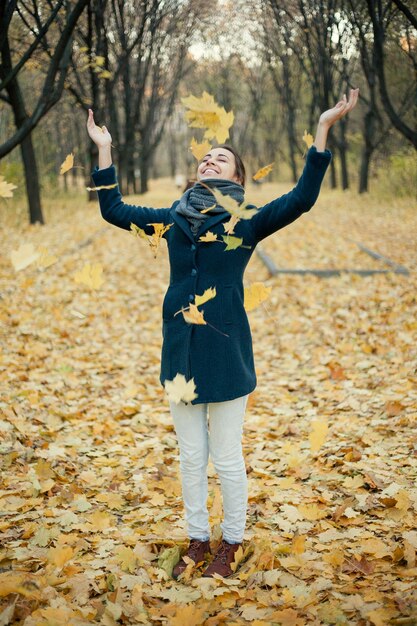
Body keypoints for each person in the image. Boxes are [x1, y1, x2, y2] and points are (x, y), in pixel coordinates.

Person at [86, 88, 359, 579]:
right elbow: (114, 211)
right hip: (180, 354)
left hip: (226, 351)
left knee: (227, 457)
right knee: (191, 457)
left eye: (222, 159)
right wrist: (104, 149)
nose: (211, 161)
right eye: (207, 157)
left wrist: (323, 129)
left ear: (237, 177)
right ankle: (197, 538)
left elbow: (301, 199)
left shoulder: (247, 221)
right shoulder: (171, 220)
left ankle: (230, 542)